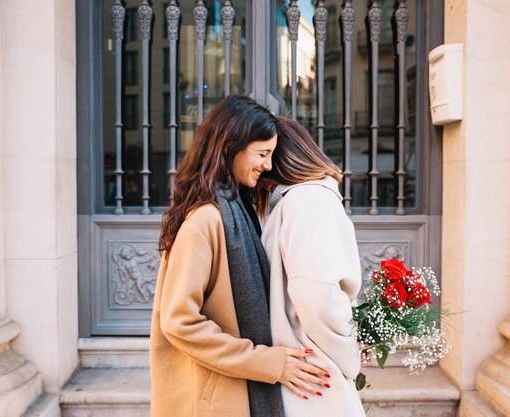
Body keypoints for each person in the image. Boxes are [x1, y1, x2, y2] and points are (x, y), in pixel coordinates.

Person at [150, 96, 330, 417]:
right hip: (212, 397)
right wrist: (266, 362)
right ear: (229, 146)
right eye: (262, 154)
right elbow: (179, 322)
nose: (268, 165)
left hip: (233, 389)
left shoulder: (241, 210)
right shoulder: (206, 219)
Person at [261, 116, 365, 417]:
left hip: (308, 370)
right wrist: (349, 355)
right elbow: (316, 295)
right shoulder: (311, 200)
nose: (263, 170)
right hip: (315, 373)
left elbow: (312, 291)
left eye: (268, 157)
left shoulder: (305, 200)